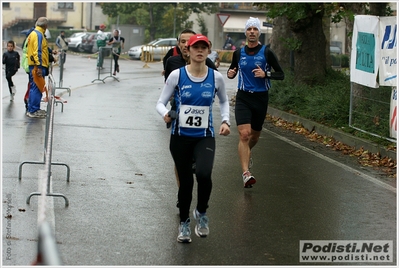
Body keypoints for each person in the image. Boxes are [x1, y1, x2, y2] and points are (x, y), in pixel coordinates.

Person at [156, 34, 231, 243]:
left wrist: (226, 121)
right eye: (195, 47)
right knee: (186, 183)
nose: (199, 51)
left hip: (204, 136)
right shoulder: (177, 76)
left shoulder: (216, 77)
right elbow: (160, 102)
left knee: (205, 174)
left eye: (203, 47)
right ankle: (184, 223)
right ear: (187, 51)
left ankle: (201, 212)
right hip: (180, 137)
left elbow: (224, 101)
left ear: (208, 51)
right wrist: (164, 113)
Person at [227, 17, 285, 188]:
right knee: (244, 134)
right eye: (249, 29)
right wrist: (231, 74)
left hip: (261, 98)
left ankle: (247, 152)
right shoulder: (238, 53)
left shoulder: (267, 52)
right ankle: (246, 173)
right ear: (245, 32)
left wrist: (266, 74)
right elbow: (233, 70)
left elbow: (281, 74)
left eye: (255, 29)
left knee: (254, 136)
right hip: (243, 97)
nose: (252, 31)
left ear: (259, 32)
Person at [164, 29, 218, 209]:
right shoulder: (172, 62)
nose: (187, 45)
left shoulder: (207, 63)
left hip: (202, 122)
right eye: (183, 42)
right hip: (177, 113)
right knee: (182, 167)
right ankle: (183, 194)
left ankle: (196, 164)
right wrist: (168, 112)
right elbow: (167, 88)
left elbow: (215, 87)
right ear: (180, 45)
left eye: (190, 41)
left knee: (201, 169)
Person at [26, 17, 50, 118]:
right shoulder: (39, 34)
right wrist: (39, 66)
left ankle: (31, 109)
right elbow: (37, 51)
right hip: (37, 66)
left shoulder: (33, 33)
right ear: (45, 26)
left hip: (33, 64)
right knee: (37, 88)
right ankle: (34, 110)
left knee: (34, 87)